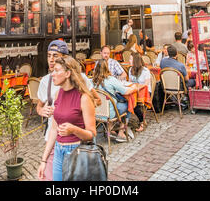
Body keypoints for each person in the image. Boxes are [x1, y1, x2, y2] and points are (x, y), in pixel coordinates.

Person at [36, 40, 100, 181]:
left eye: (55, 56)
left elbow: (92, 133)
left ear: (67, 73)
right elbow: (54, 128)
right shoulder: (57, 91)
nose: (51, 60)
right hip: (58, 148)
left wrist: (75, 126)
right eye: (49, 55)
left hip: (78, 151)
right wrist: (43, 161)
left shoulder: (83, 95)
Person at [92, 59, 139, 142]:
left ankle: (109, 131)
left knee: (111, 104)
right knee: (128, 104)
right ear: (107, 68)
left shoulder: (92, 81)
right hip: (110, 113)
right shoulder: (110, 80)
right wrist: (134, 87)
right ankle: (121, 132)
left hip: (96, 112)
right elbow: (126, 91)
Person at [128, 53, 152, 132]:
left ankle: (142, 122)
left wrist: (137, 87)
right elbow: (130, 82)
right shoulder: (130, 70)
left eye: (130, 59)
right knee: (127, 99)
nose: (129, 60)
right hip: (135, 91)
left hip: (145, 92)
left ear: (135, 61)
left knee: (134, 103)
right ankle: (124, 122)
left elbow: (146, 84)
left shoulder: (145, 70)